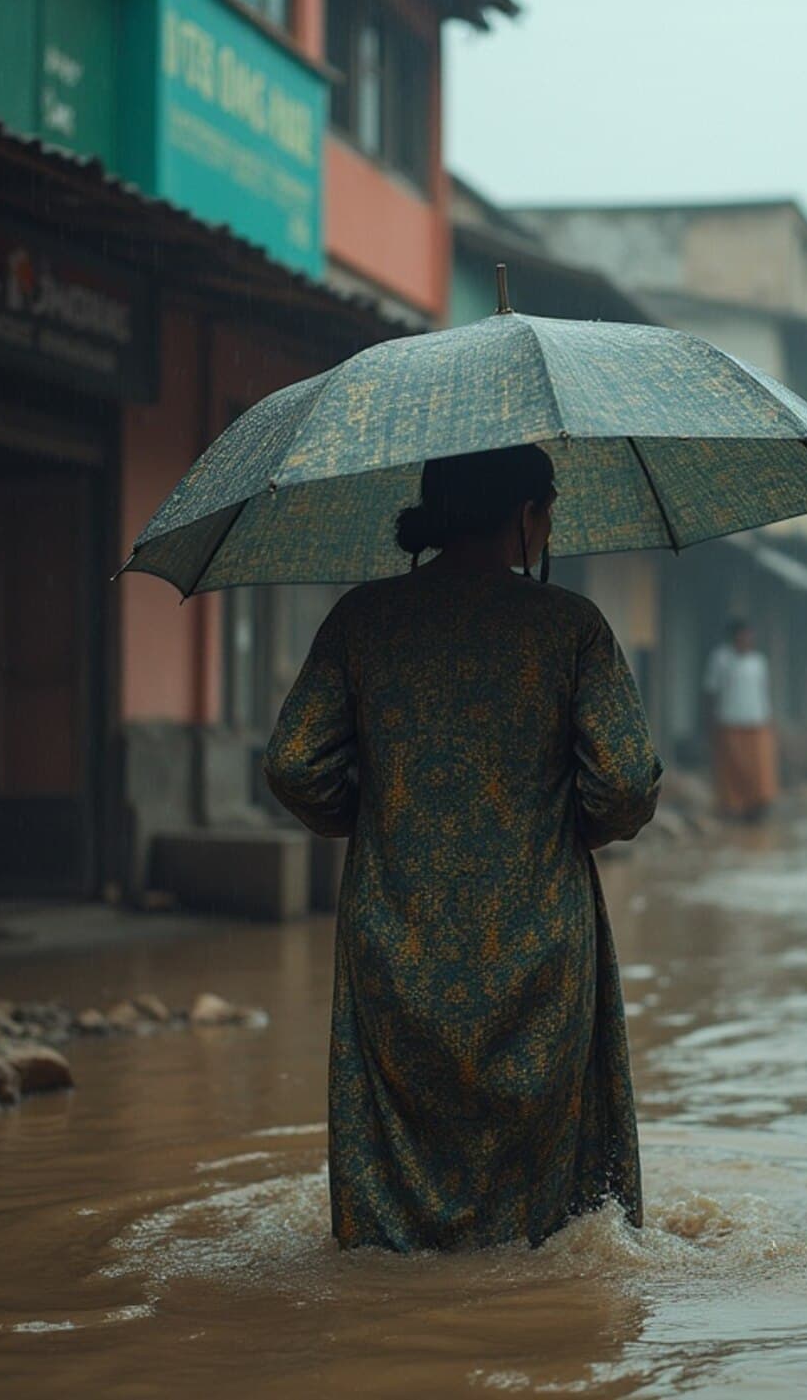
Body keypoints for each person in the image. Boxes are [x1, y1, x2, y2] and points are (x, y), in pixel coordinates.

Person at [264, 444, 662, 1253]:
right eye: (547, 505)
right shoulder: (568, 628)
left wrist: (373, 820)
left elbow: (291, 762)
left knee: (394, 1212)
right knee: (551, 1230)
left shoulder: (364, 620)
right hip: (541, 941)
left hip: (393, 939)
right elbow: (623, 783)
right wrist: (571, 823)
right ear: (524, 516)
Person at [704, 619, 778, 821]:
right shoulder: (720, 659)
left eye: (750, 635)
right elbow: (711, 691)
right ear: (734, 637)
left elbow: (764, 692)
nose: (747, 640)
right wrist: (710, 720)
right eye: (742, 635)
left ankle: (757, 806)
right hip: (729, 721)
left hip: (757, 722)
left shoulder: (759, 662)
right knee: (733, 768)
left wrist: (769, 719)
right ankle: (733, 807)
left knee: (760, 768)